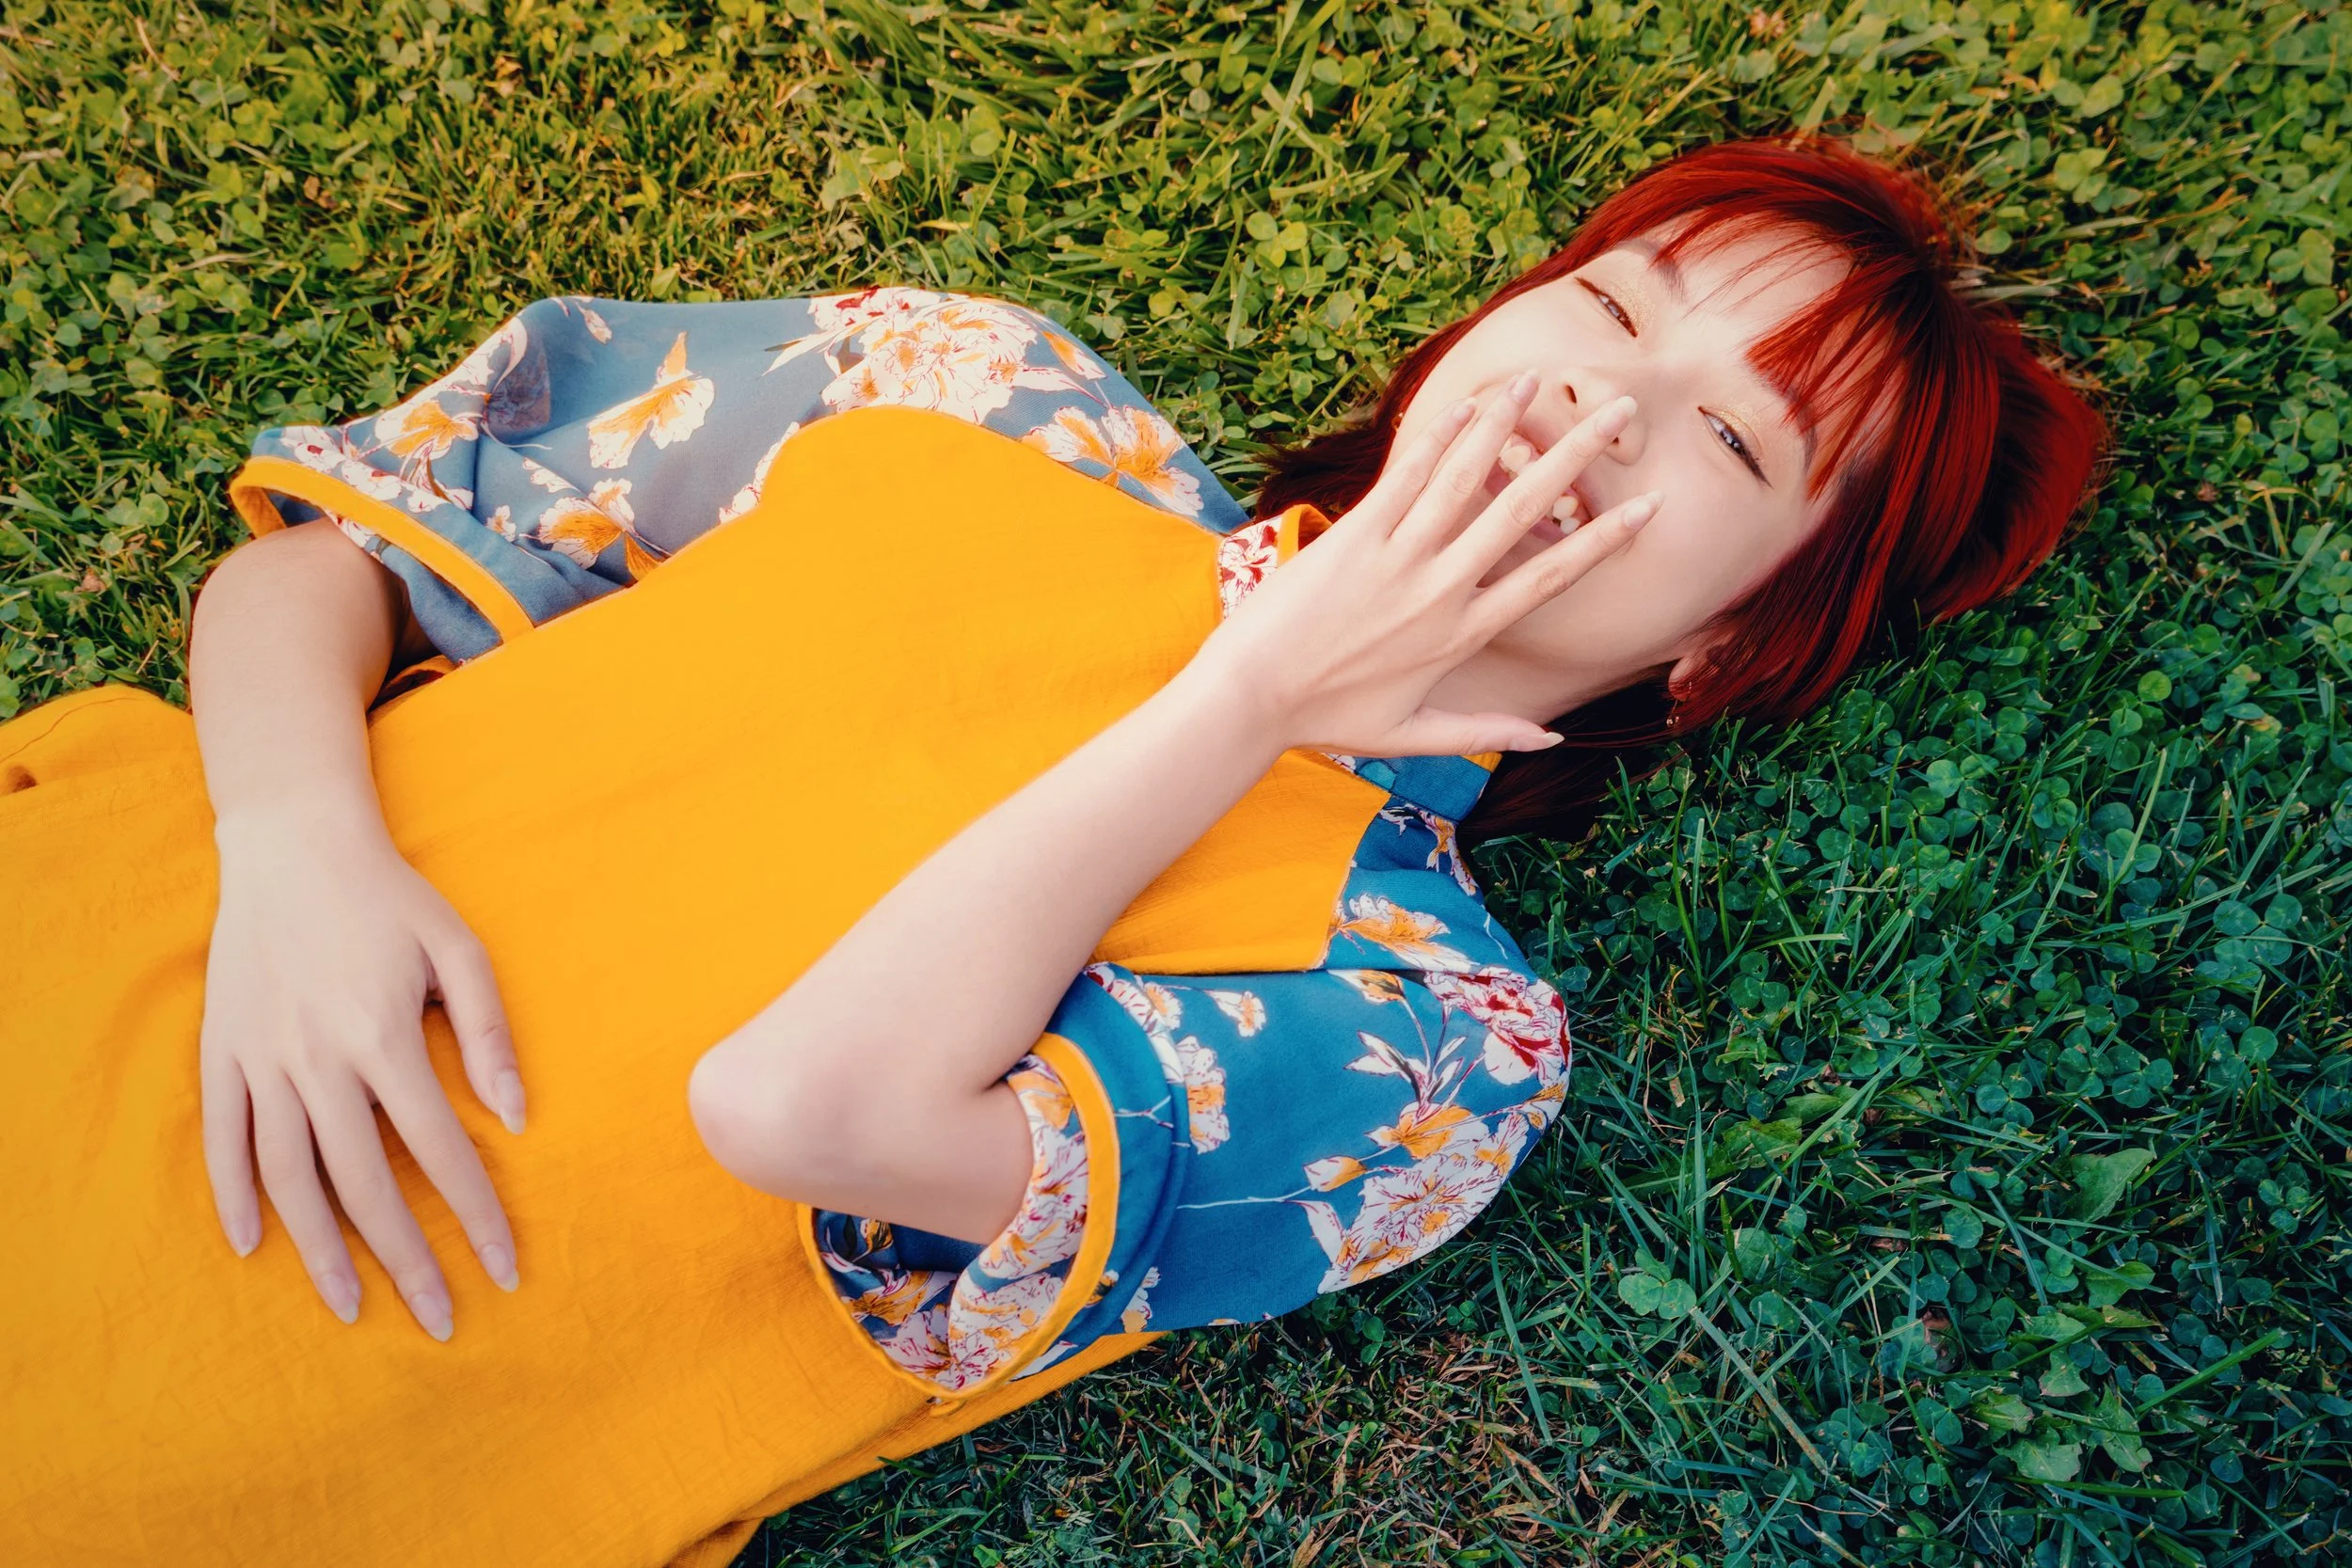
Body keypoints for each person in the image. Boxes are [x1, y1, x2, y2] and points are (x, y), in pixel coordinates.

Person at [0, 135, 2102, 1567]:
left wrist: (1246, 706)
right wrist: (297, 848)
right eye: (1619, 302)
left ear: (1729, 643)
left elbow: (795, 1103)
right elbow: (346, 548)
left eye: (1732, 438)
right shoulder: (989, 403)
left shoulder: (1426, 1032)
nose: (1609, 404)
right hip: (92, 947)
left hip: (223, 1442)